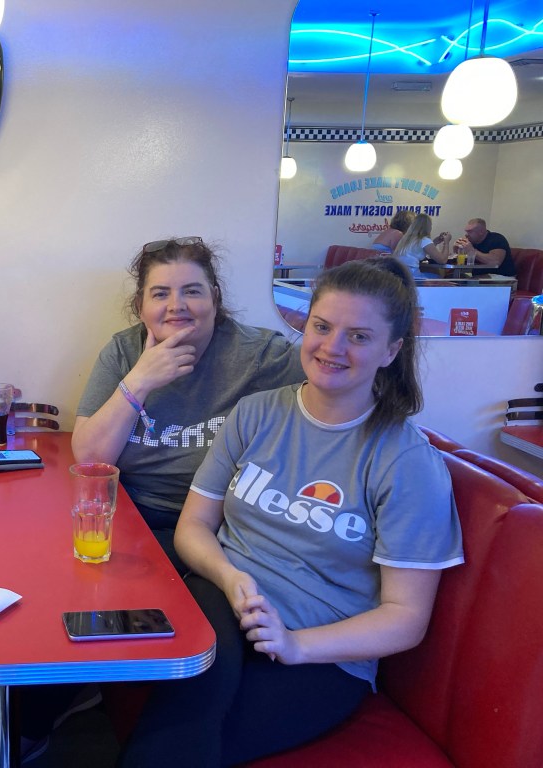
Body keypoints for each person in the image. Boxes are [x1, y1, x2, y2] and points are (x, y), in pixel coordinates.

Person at [119, 257, 463, 768]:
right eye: (322, 327)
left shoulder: (407, 462)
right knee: (189, 708)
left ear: (392, 350)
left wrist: (296, 644)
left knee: (184, 736)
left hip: (322, 655)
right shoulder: (256, 412)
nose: (332, 347)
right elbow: (193, 526)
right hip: (221, 599)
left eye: (359, 336)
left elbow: (405, 619)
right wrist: (230, 577)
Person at [73, 236, 304, 571]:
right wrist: (140, 381)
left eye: (192, 291)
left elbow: (336, 376)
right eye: (160, 294)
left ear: (215, 297)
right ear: (140, 305)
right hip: (132, 519)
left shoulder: (260, 356)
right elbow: (90, 460)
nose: (176, 305)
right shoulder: (124, 352)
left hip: (220, 527)